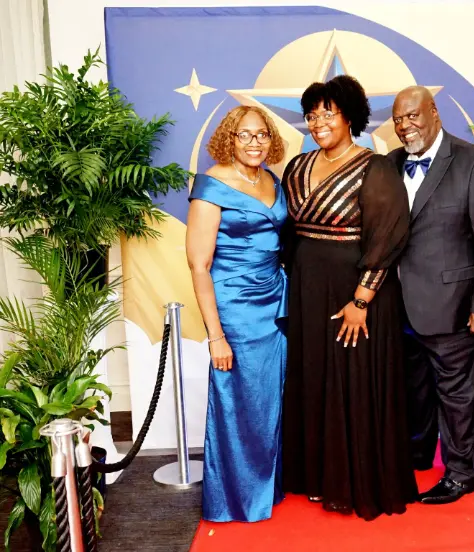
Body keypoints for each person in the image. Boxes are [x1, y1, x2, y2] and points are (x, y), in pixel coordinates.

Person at [280, 75, 418, 521]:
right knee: (316, 376)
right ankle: (318, 477)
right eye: (311, 114)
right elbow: (288, 233)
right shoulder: (296, 168)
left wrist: (361, 301)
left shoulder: (375, 168)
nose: (317, 121)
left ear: (350, 117)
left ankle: (356, 481)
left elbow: (389, 236)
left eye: (328, 112)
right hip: (309, 289)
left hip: (358, 290)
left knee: (354, 379)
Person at [388, 87, 474, 504]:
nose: (405, 126)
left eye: (412, 116)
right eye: (398, 119)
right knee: (415, 392)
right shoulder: (390, 164)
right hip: (401, 308)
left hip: (455, 307)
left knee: (456, 397)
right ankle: (418, 456)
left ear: (434, 112)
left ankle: (461, 474)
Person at [186, 105, 288, 522]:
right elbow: (199, 266)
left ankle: (268, 486)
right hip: (235, 307)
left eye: (261, 134)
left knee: (270, 400)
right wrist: (216, 335)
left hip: (275, 302)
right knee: (239, 401)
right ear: (229, 138)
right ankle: (234, 498)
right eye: (244, 135)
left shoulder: (271, 180)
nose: (254, 142)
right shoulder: (212, 185)